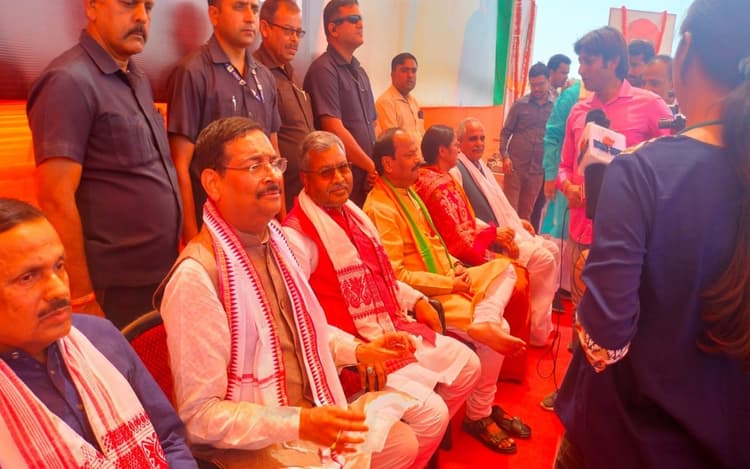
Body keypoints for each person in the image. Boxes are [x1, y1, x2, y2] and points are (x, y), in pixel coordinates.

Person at [159, 116, 422, 468]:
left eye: (274, 163)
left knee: (402, 442)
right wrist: (298, 423)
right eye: (254, 165)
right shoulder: (197, 276)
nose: (271, 175)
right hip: (248, 448)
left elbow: (304, 332)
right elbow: (199, 417)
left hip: (305, 415)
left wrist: (359, 350)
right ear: (213, 183)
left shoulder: (276, 243)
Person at [555, 1, 750, 467]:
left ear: (685, 50)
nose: (583, 69)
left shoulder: (643, 169)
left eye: (589, 60)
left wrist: (589, 281)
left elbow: (604, 344)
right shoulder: (580, 110)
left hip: (630, 436)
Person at [284, 131, 482, 468]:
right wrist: (357, 351)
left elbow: (384, 276)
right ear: (305, 179)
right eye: (326, 172)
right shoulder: (297, 236)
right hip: (353, 355)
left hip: (392, 325)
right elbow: (300, 322)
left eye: (343, 168)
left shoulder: (353, 215)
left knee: (468, 365)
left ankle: (420, 446)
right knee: (432, 415)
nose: (339, 178)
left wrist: (417, 299)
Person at [364, 127, 532, 455]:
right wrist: (449, 283)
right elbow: (395, 276)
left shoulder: (408, 193)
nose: (418, 160)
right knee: (500, 329)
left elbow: (435, 243)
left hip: (449, 278)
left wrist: (455, 267)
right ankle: (478, 414)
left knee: (506, 269)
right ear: (388, 163)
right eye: (410, 155)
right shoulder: (381, 208)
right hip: (429, 296)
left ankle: (484, 323)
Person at [0, 198, 195, 468]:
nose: (58, 290)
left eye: (59, 266)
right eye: (28, 277)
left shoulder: (99, 337)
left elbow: (169, 439)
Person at [27, 0, 182, 329]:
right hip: (114, 289)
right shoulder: (68, 81)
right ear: (92, 7)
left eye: (148, 7)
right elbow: (55, 198)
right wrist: (82, 297)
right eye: (128, 3)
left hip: (160, 275)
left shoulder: (136, 78)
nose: (141, 16)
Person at [167, 0, 281, 243]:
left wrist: (279, 224)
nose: (250, 17)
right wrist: (192, 238)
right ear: (214, 14)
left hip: (261, 227)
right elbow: (180, 166)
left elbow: (275, 155)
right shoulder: (193, 72)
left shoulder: (265, 77)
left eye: (254, 9)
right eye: (239, 7)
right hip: (214, 230)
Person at [452, 119, 561, 347]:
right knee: (544, 259)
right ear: (459, 142)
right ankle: (534, 332)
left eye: (482, 138)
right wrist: (493, 233)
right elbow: (462, 217)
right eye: (473, 139)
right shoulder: (456, 170)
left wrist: (517, 222)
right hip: (489, 240)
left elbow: (499, 203)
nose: (479, 143)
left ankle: (537, 323)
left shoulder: (481, 166)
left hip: (504, 230)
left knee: (552, 248)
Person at [303, 0, 377, 206]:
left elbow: (374, 124)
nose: (360, 24)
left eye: (360, 19)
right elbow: (333, 128)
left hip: (368, 178)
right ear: (333, 29)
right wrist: (371, 166)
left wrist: (376, 166)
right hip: (340, 180)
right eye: (353, 19)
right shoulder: (324, 69)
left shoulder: (360, 72)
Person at [254, 0, 315, 210]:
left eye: (299, 32)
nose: (295, 39)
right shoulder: (257, 76)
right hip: (281, 197)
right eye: (288, 31)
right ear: (265, 28)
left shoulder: (291, 73)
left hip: (307, 194)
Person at [499, 62, 555, 220]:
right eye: (533, 85)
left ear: (549, 81)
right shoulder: (520, 105)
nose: (536, 89)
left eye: (540, 84)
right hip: (515, 168)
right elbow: (505, 132)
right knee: (509, 212)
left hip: (537, 170)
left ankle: (523, 238)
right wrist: (505, 157)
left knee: (526, 214)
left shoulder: (556, 107)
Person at [375, 53, 425, 147]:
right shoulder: (385, 102)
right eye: (404, 70)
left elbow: (421, 135)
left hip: (419, 155)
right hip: (404, 155)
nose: (410, 75)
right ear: (392, 75)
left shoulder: (414, 102)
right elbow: (394, 143)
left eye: (414, 71)